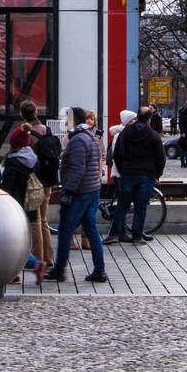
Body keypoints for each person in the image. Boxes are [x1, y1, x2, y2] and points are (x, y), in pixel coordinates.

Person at [44, 107, 107, 283]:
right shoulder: (91, 137)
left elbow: (78, 168)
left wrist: (69, 191)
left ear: (74, 120)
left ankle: (59, 270)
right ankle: (99, 270)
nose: (65, 121)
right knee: (92, 231)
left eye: (67, 118)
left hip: (80, 192)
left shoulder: (78, 139)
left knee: (65, 230)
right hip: (91, 190)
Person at [9, 100, 58, 267]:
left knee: (35, 220)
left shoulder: (25, 134)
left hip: (32, 182)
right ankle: (49, 258)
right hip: (48, 180)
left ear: (22, 115)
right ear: (36, 112)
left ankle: (38, 259)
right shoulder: (47, 130)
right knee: (44, 220)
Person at [110, 106, 165, 246]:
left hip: (128, 172)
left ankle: (114, 234)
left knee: (122, 205)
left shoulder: (125, 132)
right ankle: (137, 236)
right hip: (146, 175)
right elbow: (160, 157)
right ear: (149, 118)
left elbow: (117, 153)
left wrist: (123, 169)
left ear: (137, 117)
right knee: (141, 207)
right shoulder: (153, 135)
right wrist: (157, 174)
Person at [0, 128, 46, 285]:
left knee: (11, 242)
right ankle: (16, 273)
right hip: (30, 206)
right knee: (18, 241)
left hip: (14, 207)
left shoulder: (13, 161)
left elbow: (7, 187)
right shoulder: (33, 158)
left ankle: (34, 265)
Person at [103, 108, 136, 244]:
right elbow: (119, 156)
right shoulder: (120, 135)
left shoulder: (125, 133)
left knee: (122, 202)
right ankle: (117, 232)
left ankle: (120, 231)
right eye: (133, 120)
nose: (135, 122)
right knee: (122, 203)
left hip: (121, 173)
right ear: (128, 122)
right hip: (120, 173)